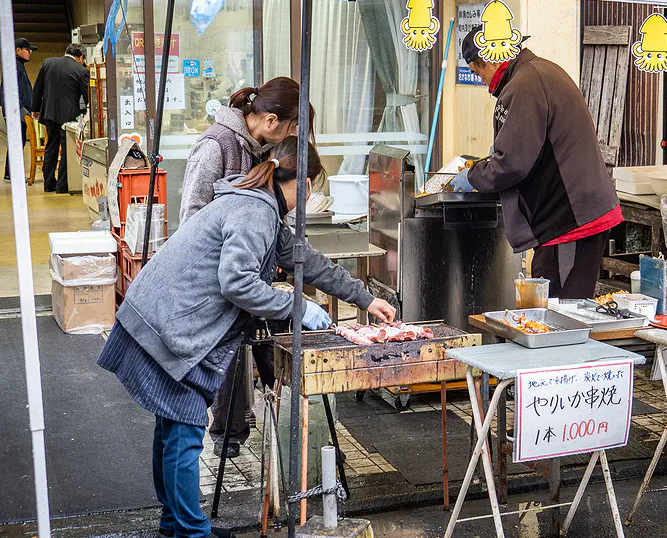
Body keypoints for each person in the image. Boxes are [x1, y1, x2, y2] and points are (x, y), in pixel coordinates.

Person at [98, 150, 395, 538]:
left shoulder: (258, 205)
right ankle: (191, 533)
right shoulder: (255, 212)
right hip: (172, 327)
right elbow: (236, 282)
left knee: (171, 428)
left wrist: (365, 298)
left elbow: (308, 261)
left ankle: (176, 525)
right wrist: (297, 306)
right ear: (304, 186)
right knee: (184, 430)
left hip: (163, 315)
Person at [180, 77, 313, 458]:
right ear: (271, 121)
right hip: (218, 281)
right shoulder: (215, 146)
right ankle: (227, 436)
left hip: (251, 277)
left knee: (266, 344)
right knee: (228, 359)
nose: (289, 139)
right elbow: (192, 216)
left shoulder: (259, 149)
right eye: (290, 129)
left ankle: (283, 425)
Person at [451, 27, 622, 298]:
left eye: (477, 72)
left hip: (571, 219)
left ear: (487, 61)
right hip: (572, 212)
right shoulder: (538, 72)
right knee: (553, 306)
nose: (482, 82)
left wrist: (473, 177)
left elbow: (511, 164)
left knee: (559, 311)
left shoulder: (522, 85)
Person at [180, 77, 306, 224]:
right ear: (271, 120)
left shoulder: (270, 148)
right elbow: (192, 213)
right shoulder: (215, 144)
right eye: (293, 126)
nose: (293, 133)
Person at [31, 43, 89, 194]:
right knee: (66, 149)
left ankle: (48, 184)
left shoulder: (48, 63)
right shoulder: (80, 70)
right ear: (80, 57)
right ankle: (62, 185)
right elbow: (87, 96)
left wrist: (35, 108)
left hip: (49, 112)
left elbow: (38, 87)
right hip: (69, 116)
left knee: (51, 146)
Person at [3, 38, 36, 182]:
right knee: (17, 143)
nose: (30, 53)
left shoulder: (18, 65)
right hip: (15, 113)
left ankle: (10, 174)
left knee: (18, 143)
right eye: (27, 50)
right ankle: (12, 174)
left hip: (18, 111)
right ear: (18, 50)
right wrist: (21, 109)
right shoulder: (14, 66)